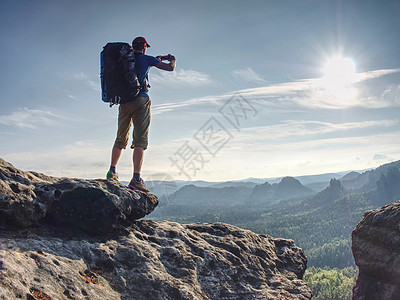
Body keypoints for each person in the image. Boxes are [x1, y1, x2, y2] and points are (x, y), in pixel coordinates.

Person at [106, 36, 176, 192]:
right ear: (144, 47)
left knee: (120, 137)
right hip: (141, 100)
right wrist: (172, 59)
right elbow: (170, 68)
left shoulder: (123, 60)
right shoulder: (146, 58)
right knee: (140, 140)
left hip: (123, 101)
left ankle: (112, 171)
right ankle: (136, 179)